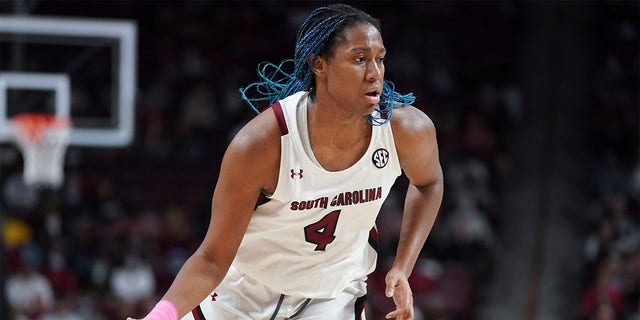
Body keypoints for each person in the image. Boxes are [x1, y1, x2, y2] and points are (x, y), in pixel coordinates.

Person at [129, 3, 443, 320]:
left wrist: (403, 265)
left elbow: (429, 182)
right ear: (319, 65)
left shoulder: (406, 131)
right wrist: (159, 316)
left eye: (380, 58)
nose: (375, 72)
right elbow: (211, 259)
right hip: (241, 296)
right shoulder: (261, 145)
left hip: (331, 296)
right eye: (359, 59)